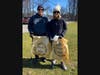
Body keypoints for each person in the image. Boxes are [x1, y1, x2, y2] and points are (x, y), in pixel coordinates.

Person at [47, 5, 68, 70]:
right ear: (53, 13)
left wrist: (62, 35)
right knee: (54, 51)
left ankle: (62, 63)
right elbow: (48, 30)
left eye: (57, 12)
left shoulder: (62, 20)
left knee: (61, 51)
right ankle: (53, 61)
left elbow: (65, 29)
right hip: (53, 39)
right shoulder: (51, 22)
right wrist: (50, 36)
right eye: (54, 12)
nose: (56, 13)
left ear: (59, 13)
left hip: (61, 39)